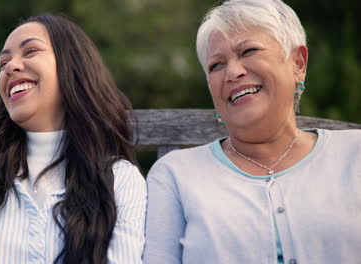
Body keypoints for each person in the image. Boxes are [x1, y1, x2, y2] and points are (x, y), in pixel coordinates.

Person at [0, 14, 146, 264]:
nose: (10, 67)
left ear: (74, 66)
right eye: (3, 62)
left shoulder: (119, 180)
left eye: (30, 51)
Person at [143, 0, 361, 263]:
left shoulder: (354, 154)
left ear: (298, 63)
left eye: (248, 51)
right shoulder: (175, 175)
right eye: (216, 65)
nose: (232, 73)